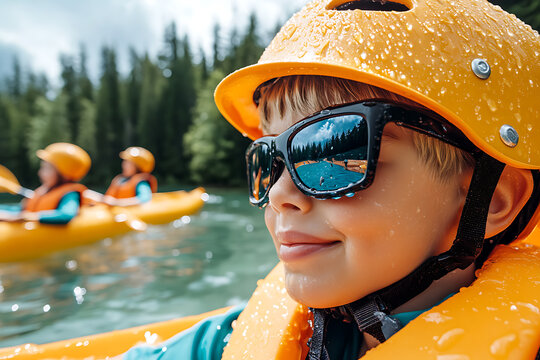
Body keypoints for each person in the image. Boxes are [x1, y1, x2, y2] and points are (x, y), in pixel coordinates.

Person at [124, 0, 540, 358]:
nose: (279, 195)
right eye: (268, 159)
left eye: (333, 150)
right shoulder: (229, 342)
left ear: (492, 201)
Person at [0, 143, 90, 224]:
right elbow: (20, 209)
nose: (40, 172)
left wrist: (28, 217)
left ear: (63, 174)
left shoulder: (70, 194)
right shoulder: (42, 191)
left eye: (46, 168)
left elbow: (66, 215)